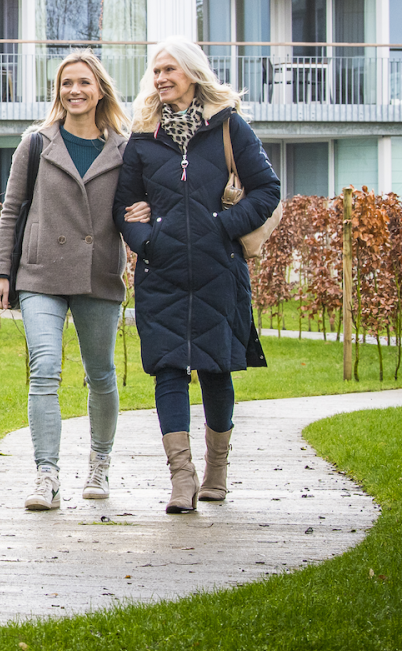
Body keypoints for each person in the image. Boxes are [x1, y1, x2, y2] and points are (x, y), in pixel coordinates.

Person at [113, 37, 280, 514]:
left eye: (170, 70)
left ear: (192, 73)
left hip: (218, 273)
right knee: (167, 370)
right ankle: (181, 479)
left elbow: (267, 189)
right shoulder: (142, 137)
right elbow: (123, 207)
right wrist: (146, 239)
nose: (161, 78)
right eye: (156, 71)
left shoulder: (229, 128)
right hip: (161, 274)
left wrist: (220, 227)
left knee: (215, 368)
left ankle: (217, 474)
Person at [0, 51, 130, 510]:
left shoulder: (124, 150)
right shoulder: (35, 143)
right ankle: (46, 475)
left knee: (101, 374)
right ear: (58, 91)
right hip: (40, 273)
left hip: (98, 273)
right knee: (44, 368)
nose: (75, 91)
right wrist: (0, 272)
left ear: (100, 90)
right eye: (66, 83)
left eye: (84, 83)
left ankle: (99, 462)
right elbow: (12, 211)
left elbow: (134, 210)